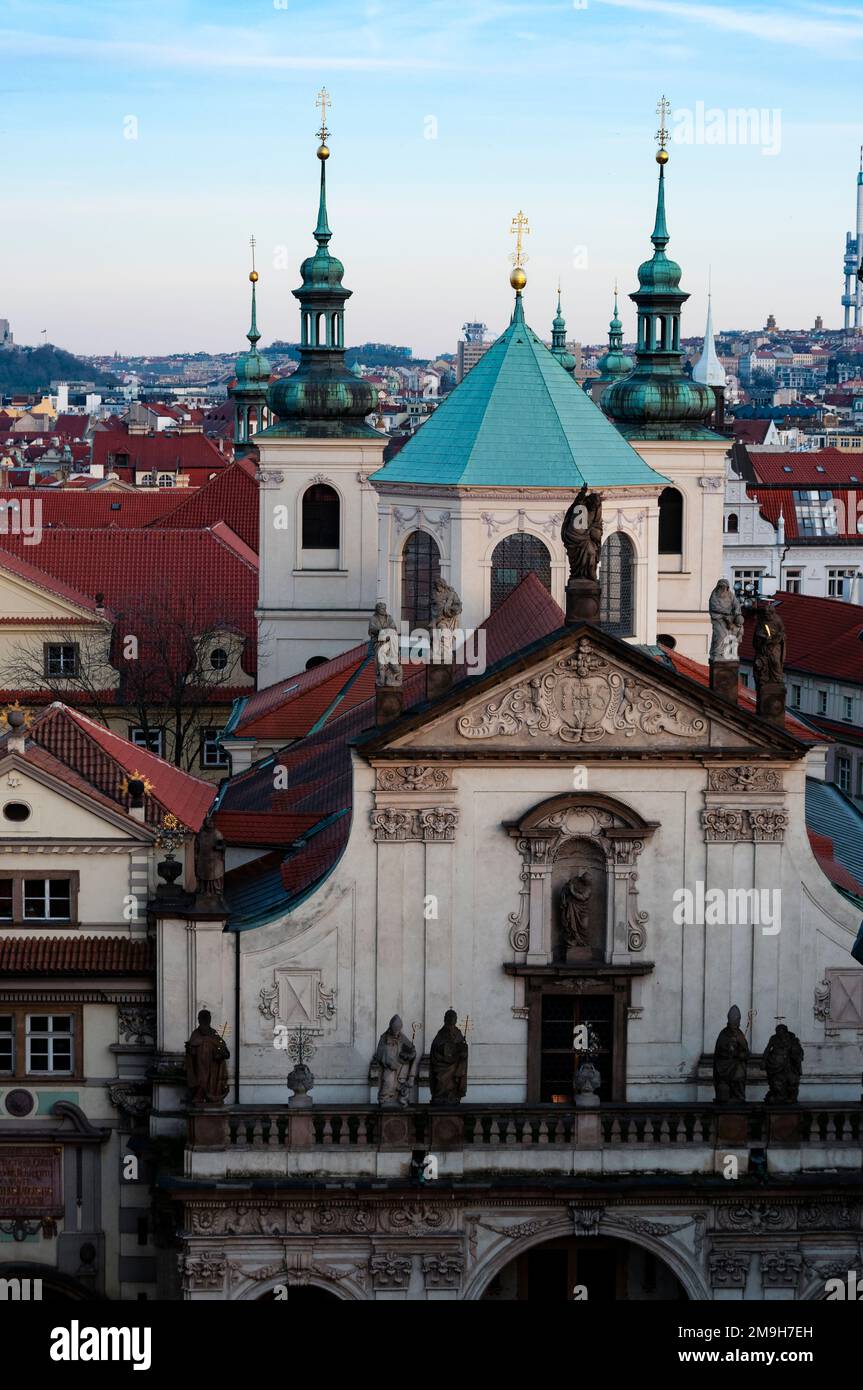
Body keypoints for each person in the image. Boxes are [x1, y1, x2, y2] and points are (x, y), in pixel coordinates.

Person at [185, 1009, 230, 1104]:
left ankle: (213, 1095)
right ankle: (200, 1096)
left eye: (207, 1018)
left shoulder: (213, 1033)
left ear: (210, 1020)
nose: (206, 1021)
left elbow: (224, 1050)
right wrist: (191, 1048)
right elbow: (191, 1051)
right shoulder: (196, 1034)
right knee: (202, 1080)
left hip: (214, 1065)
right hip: (200, 1066)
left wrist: (220, 1053)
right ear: (199, 1020)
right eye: (203, 1019)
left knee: (212, 1081)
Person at [373, 1015, 417, 1106]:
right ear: (391, 1027)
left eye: (398, 1030)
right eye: (395, 1030)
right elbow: (379, 1054)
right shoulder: (384, 1038)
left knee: (401, 1083)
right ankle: (384, 1100)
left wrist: (411, 1053)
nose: (397, 1033)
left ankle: (401, 1099)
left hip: (400, 1066)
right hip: (389, 1067)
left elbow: (411, 1047)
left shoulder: (401, 1036)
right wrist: (389, 1062)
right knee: (388, 1082)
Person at [428, 1010, 468, 1104]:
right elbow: (437, 1046)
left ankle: (453, 1094)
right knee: (441, 1082)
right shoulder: (442, 1033)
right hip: (442, 1063)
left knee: (455, 1075)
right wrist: (450, 1048)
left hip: (455, 1064)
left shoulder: (458, 1032)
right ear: (446, 1019)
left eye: (454, 1018)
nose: (452, 1020)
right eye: (450, 1018)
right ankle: (441, 1095)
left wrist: (463, 1048)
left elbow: (460, 1044)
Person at [712, 1005, 749, 1103]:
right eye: (733, 1023)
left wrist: (741, 1053)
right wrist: (728, 1050)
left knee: (739, 1074)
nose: (735, 1026)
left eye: (736, 1023)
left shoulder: (740, 1034)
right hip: (723, 1064)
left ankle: (738, 1097)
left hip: (736, 1063)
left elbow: (745, 1051)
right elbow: (719, 1051)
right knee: (723, 1089)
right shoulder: (723, 1034)